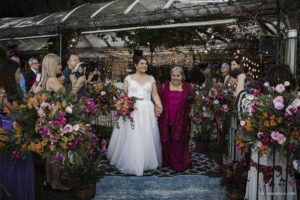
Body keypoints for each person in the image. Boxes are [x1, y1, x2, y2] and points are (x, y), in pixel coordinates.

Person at [236, 64, 297, 200]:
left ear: (267, 83)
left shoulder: (255, 105)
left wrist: (241, 78)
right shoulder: (295, 107)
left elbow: (240, 96)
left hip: (260, 171)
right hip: (283, 171)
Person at [34, 53, 84, 191]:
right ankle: (56, 182)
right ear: (52, 65)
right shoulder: (52, 80)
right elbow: (67, 98)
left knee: (49, 152)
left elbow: (35, 95)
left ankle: (48, 180)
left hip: (45, 120)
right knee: (57, 152)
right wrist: (77, 84)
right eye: (58, 64)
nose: (60, 67)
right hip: (55, 121)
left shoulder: (42, 80)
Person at [107, 56, 162, 176]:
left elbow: (155, 95)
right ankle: (131, 161)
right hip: (132, 109)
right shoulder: (129, 78)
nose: (144, 66)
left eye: (146, 64)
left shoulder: (151, 78)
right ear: (136, 65)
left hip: (147, 109)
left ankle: (146, 161)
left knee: (146, 134)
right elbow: (123, 93)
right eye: (142, 63)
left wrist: (159, 106)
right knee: (132, 134)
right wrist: (121, 104)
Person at [0, 59, 35, 200]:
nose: (19, 75)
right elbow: (20, 115)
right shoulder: (4, 97)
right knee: (17, 172)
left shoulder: (4, 93)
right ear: (9, 75)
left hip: (8, 134)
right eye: (17, 72)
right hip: (13, 136)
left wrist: (30, 95)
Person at [158, 67, 194, 171]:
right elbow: (156, 98)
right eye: (173, 75)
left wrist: (192, 110)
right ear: (170, 76)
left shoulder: (187, 87)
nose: (175, 78)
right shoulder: (164, 86)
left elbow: (193, 100)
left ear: (182, 76)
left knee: (178, 140)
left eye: (178, 75)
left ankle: (177, 162)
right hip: (166, 117)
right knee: (166, 139)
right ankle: (167, 161)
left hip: (182, 118)